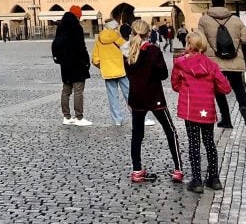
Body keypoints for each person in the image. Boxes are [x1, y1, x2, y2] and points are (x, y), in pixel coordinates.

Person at [172, 31, 232, 193]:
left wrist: (187, 88)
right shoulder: (211, 65)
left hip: (190, 109)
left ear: (189, 45)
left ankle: (197, 180)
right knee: (209, 143)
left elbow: (175, 85)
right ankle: (214, 178)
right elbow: (225, 88)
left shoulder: (180, 64)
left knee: (194, 144)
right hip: (207, 109)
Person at [125, 19, 184, 184]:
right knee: (170, 130)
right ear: (148, 34)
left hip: (136, 98)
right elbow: (163, 74)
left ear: (132, 33)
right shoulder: (153, 51)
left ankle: (137, 170)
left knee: (137, 134)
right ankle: (178, 169)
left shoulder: (127, 52)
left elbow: (129, 75)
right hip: (154, 96)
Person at [198, 0, 246, 129]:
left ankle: (226, 119)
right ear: (224, 4)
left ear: (212, 3)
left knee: (219, 91)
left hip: (215, 63)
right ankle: (244, 107)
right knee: (239, 87)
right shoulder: (235, 19)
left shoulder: (204, 20)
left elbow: (200, 41)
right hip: (234, 60)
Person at [52, 5, 92, 126]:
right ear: (77, 15)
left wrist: (58, 59)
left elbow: (55, 44)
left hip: (65, 64)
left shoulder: (61, 26)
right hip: (77, 63)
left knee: (66, 90)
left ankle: (66, 117)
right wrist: (86, 61)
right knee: (78, 90)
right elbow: (81, 47)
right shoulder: (76, 27)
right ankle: (79, 117)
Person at [92, 19, 130, 126]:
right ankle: (137, 115)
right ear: (114, 27)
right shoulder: (118, 38)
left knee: (113, 97)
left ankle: (117, 120)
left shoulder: (99, 40)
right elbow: (128, 52)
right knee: (129, 94)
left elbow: (95, 59)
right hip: (121, 70)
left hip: (108, 72)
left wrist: (103, 66)